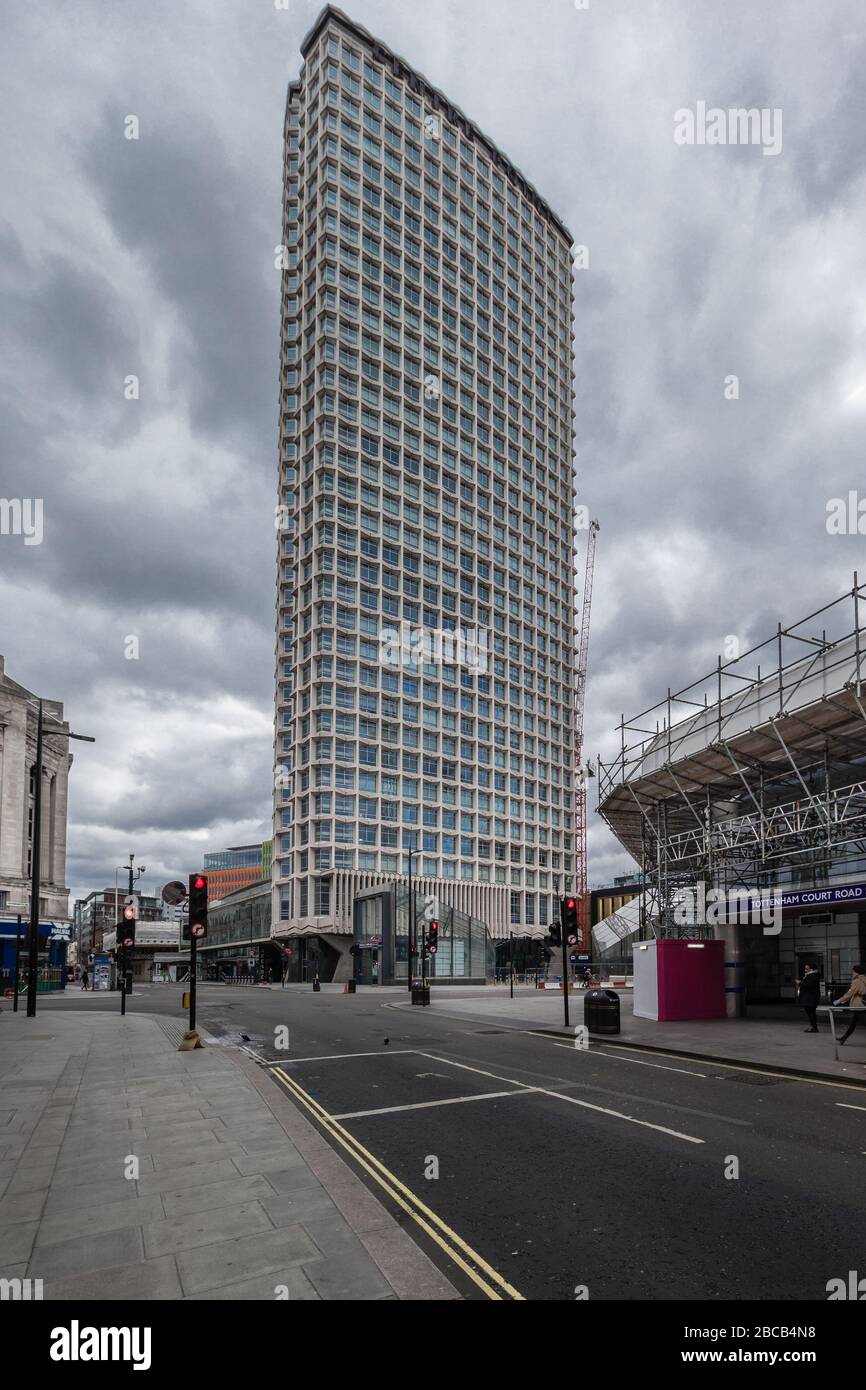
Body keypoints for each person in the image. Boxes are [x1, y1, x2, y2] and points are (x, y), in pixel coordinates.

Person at [834, 964, 866, 1044]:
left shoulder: (857, 981)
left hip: (859, 1005)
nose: (852, 972)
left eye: (853, 971)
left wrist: (839, 1000)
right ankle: (843, 1038)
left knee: (855, 1023)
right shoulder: (864, 979)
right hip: (863, 1004)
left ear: (857, 972)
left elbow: (850, 993)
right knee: (853, 1023)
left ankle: (843, 1038)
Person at [797, 963, 821, 1032]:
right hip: (810, 997)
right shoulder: (811, 975)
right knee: (811, 1012)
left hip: (811, 998)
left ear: (811, 969)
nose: (805, 970)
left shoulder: (812, 976)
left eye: (807, 969)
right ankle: (813, 1027)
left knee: (811, 1012)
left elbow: (808, 986)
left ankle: (814, 1028)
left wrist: (800, 983)